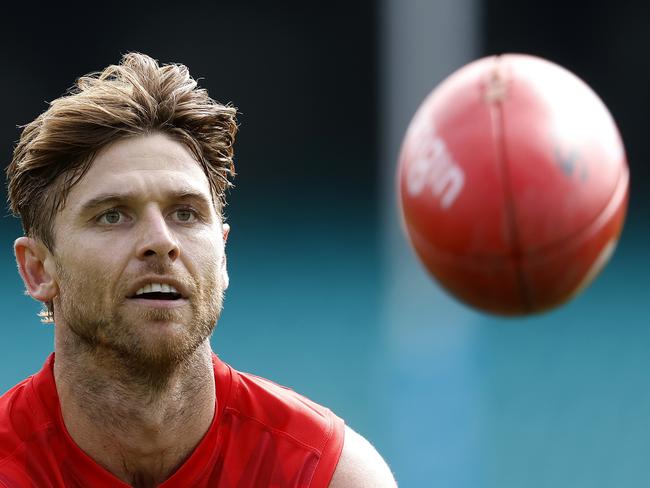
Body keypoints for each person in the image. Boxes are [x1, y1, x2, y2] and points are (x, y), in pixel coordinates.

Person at [0, 53, 397, 488]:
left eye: (185, 214)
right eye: (113, 215)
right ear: (37, 270)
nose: (161, 241)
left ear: (222, 256)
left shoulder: (323, 474)